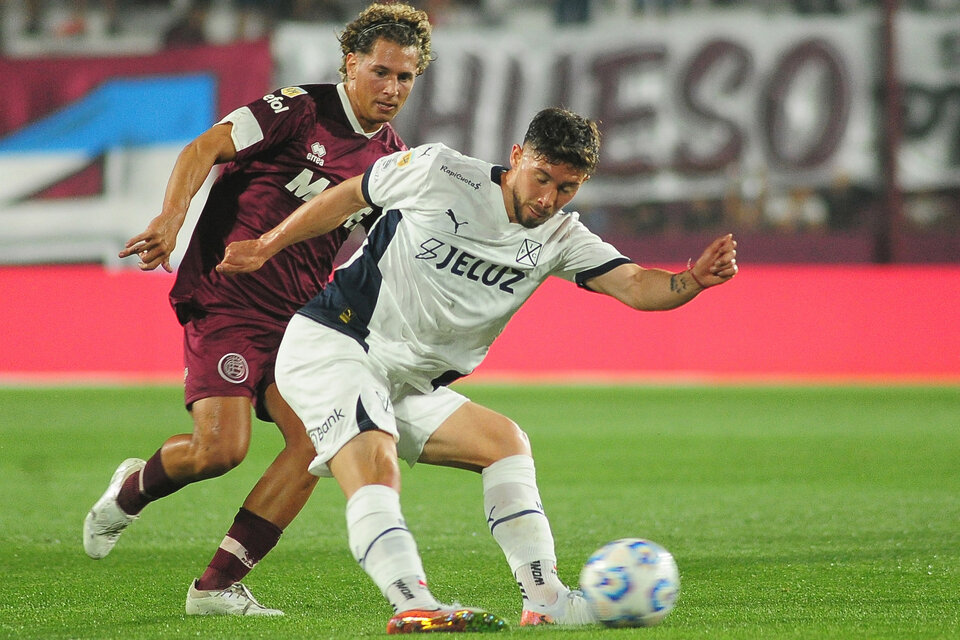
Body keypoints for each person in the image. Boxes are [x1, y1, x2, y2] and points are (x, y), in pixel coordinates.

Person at [216, 107, 738, 630]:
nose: (547, 199)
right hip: (339, 341)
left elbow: (636, 285)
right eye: (542, 178)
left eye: (566, 187)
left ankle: (546, 599)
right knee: (375, 458)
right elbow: (352, 195)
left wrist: (691, 280)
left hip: (407, 381)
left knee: (505, 444)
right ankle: (411, 604)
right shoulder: (439, 171)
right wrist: (267, 245)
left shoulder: (560, 237)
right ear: (516, 157)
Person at [83, 2, 436, 618]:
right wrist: (172, 219)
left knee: (317, 444)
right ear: (351, 63)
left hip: (302, 321)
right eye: (382, 72)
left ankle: (216, 587)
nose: (393, 89)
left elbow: (393, 251)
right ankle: (132, 490)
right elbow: (203, 148)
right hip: (227, 296)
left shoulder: (390, 160)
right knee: (220, 451)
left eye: (406, 78)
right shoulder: (297, 109)